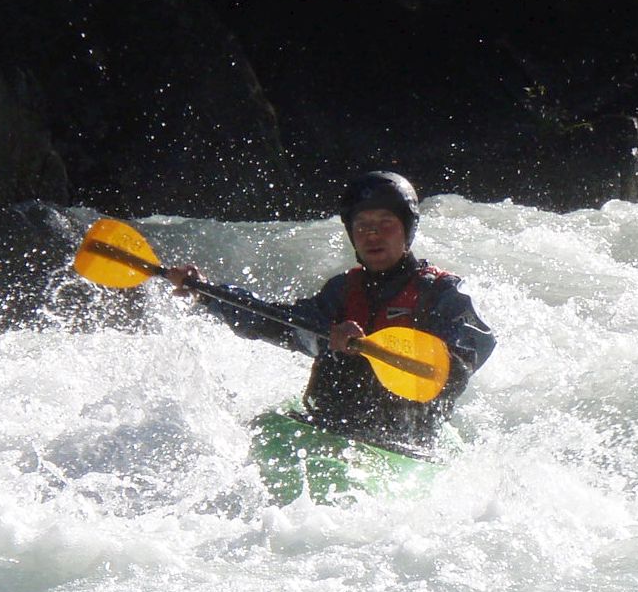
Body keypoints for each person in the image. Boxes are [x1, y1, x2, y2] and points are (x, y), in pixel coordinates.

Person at [164, 171, 495, 452]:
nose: (372, 234)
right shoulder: (341, 291)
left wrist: (378, 348)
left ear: (407, 230)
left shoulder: (441, 292)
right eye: (362, 225)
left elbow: (467, 357)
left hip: (403, 443)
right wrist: (208, 292)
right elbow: (275, 322)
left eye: (385, 223)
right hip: (330, 428)